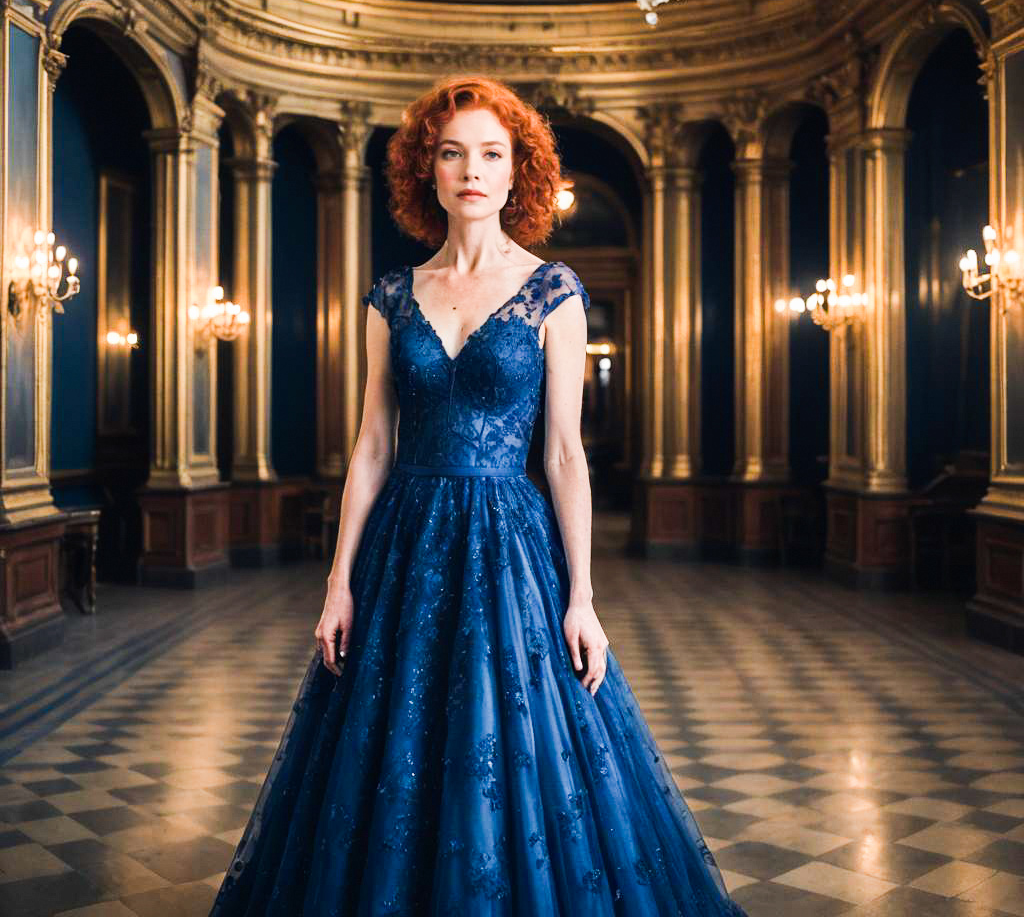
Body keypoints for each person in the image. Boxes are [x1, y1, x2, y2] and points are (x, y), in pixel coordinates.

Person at [209, 76, 749, 916]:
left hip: (509, 547)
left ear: (516, 172)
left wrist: (583, 598)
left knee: (511, 737)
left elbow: (566, 455)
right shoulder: (393, 295)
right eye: (453, 152)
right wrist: (337, 583)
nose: (472, 169)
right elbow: (373, 445)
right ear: (428, 170)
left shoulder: (554, 291)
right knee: (394, 741)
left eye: (491, 154)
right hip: (406, 547)